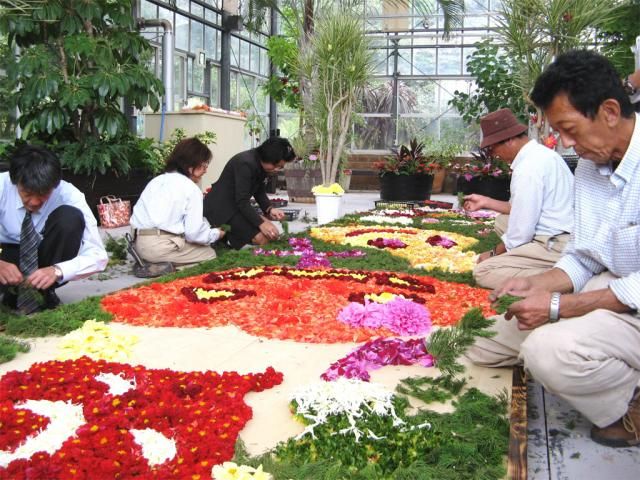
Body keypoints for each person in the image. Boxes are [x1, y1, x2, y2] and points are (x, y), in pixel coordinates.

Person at [465, 49, 640, 448]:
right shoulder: (592, 168)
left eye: (570, 129)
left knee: (546, 352)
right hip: (607, 286)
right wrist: (540, 284)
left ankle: (631, 405)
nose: (565, 143)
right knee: (478, 339)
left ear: (609, 111)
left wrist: (562, 307)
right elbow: (583, 255)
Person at [463, 108, 574, 290]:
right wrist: (485, 201)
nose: (493, 154)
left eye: (493, 148)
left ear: (510, 140)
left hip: (555, 242)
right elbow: (519, 208)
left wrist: (493, 253)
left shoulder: (528, 169)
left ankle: (564, 276)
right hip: (563, 232)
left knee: (483, 272)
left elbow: (521, 232)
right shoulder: (542, 154)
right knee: (501, 221)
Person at [0, 144, 108, 314]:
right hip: (7, 255)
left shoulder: (69, 195)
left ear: (55, 185)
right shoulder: (1, 187)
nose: (34, 202)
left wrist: (57, 270)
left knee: (70, 217)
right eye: (27, 193)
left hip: (47, 256)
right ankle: (10, 294)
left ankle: (44, 291)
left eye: (43, 194)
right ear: (15, 182)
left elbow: (98, 255)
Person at [130, 137, 225, 265]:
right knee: (209, 254)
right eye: (203, 165)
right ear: (190, 166)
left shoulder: (157, 180)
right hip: (159, 247)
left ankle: (152, 261)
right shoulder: (191, 188)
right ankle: (166, 268)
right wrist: (216, 234)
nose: (205, 170)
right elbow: (194, 234)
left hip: (137, 244)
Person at [203, 137, 296, 249]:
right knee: (264, 237)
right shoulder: (245, 163)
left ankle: (224, 240)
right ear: (269, 157)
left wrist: (270, 209)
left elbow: (259, 190)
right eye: (277, 166)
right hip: (222, 209)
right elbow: (242, 201)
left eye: (280, 167)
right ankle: (222, 239)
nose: (277, 169)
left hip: (236, 207)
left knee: (273, 234)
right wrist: (261, 223)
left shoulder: (261, 163)